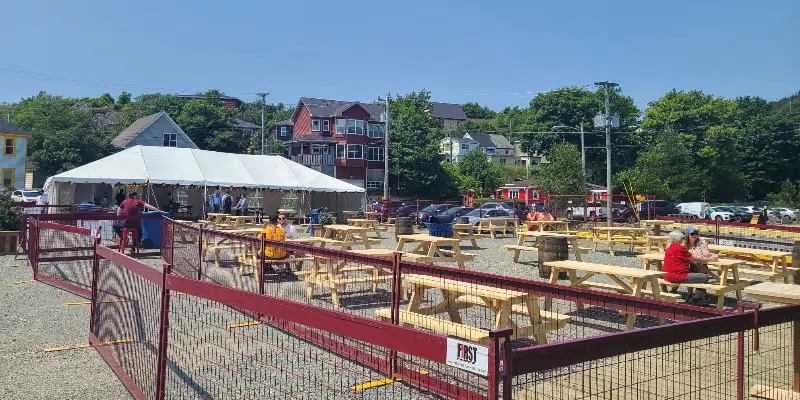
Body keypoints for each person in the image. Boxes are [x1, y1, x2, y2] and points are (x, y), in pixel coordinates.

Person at [662, 230, 717, 304]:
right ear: (678, 239)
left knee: (694, 272)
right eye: (682, 238)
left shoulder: (669, 247)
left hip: (667, 275)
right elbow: (694, 259)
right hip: (678, 276)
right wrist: (710, 259)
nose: (683, 239)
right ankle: (696, 299)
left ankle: (690, 295)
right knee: (705, 277)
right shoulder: (680, 248)